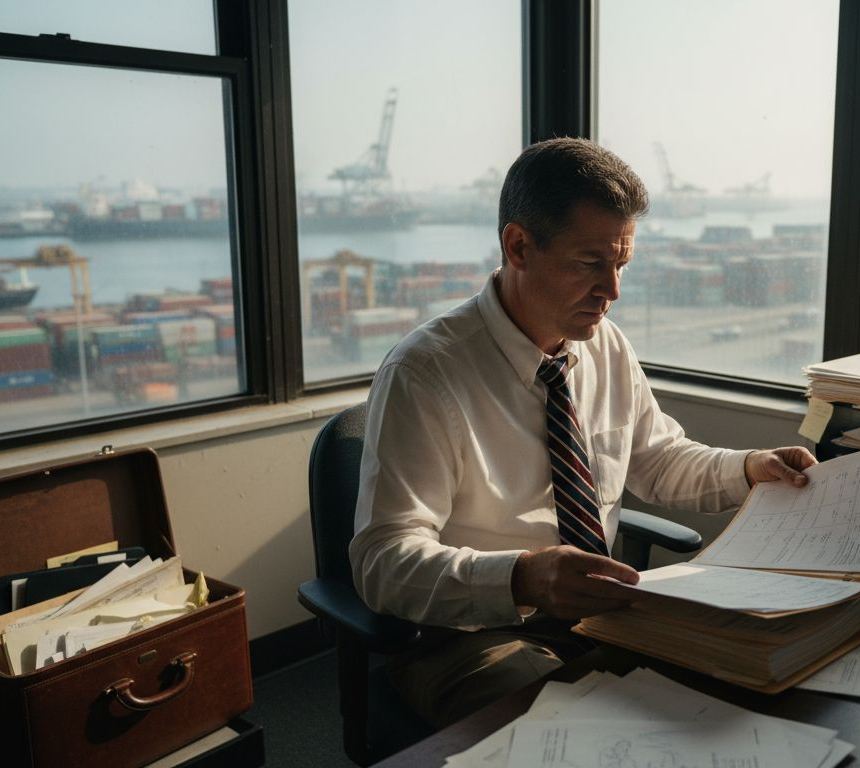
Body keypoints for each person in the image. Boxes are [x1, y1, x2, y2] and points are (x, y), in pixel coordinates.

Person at [348, 137, 816, 727]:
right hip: (472, 636)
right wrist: (522, 576)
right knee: (584, 732)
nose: (612, 291)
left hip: (603, 614)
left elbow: (659, 458)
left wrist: (750, 469)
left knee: (742, 693)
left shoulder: (603, 345)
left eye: (621, 264)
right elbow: (382, 563)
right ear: (518, 246)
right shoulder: (426, 373)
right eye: (589, 263)